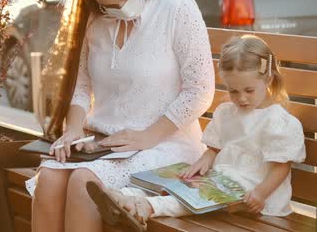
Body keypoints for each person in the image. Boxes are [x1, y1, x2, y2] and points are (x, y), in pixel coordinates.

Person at [28, 0, 215, 232]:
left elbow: (200, 89)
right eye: (110, 5)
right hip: (104, 144)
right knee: (49, 180)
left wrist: (147, 137)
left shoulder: (177, 6)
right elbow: (81, 84)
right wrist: (73, 130)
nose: (123, 9)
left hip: (167, 144)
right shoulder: (94, 19)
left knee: (85, 182)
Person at [86, 35, 306, 232]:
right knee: (186, 183)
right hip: (225, 180)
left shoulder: (278, 122)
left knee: (198, 194)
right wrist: (204, 159)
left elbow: (280, 168)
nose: (241, 98)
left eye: (249, 90)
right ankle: (125, 196)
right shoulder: (227, 112)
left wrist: (260, 193)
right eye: (233, 91)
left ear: (268, 80)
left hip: (256, 194)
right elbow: (214, 148)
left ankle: (147, 207)